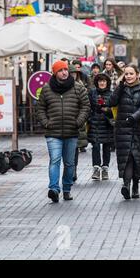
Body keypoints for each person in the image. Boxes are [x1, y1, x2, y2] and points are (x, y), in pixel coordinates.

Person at [36, 60, 90, 202]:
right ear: (55, 72)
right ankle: (54, 189)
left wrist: (78, 122)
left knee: (69, 163)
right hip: (53, 132)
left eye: (65, 69)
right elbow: (40, 109)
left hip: (71, 132)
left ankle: (66, 189)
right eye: (60, 70)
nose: (64, 72)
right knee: (55, 160)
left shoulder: (78, 87)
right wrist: (46, 123)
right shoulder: (47, 89)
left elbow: (85, 106)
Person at [109, 64, 140, 200]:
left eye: (131, 74)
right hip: (123, 128)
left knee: (136, 158)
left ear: (137, 75)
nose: (128, 76)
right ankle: (126, 185)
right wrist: (120, 87)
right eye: (126, 74)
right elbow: (112, 102)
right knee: (126, 158)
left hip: (139, 129)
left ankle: (135, 186)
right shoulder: (121, 88)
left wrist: (133, 117)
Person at [88, 73, 114, 180]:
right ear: (97, 82)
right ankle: (96, 168)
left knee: (107, 147)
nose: (102, 83)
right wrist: (89, 118)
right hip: (95, 123)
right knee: (96, 146)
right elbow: (88, 106)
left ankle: (105, 168)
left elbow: (114, 109)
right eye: (100, 81)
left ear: (107, 82)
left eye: (104, 81)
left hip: (107, 124)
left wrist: (107, 110)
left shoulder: (112, 94)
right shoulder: (92, 93)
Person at [69, 64, 89, 179]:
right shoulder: (63, 86)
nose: (72, 75)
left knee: (75, 148)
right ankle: (70, 169)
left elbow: (85, 105)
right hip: (66, 121)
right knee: (68, 149)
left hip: (77, 122)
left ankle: (73, 170)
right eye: (71, 73)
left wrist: (81, 118)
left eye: (74, 73)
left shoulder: (80, 86)